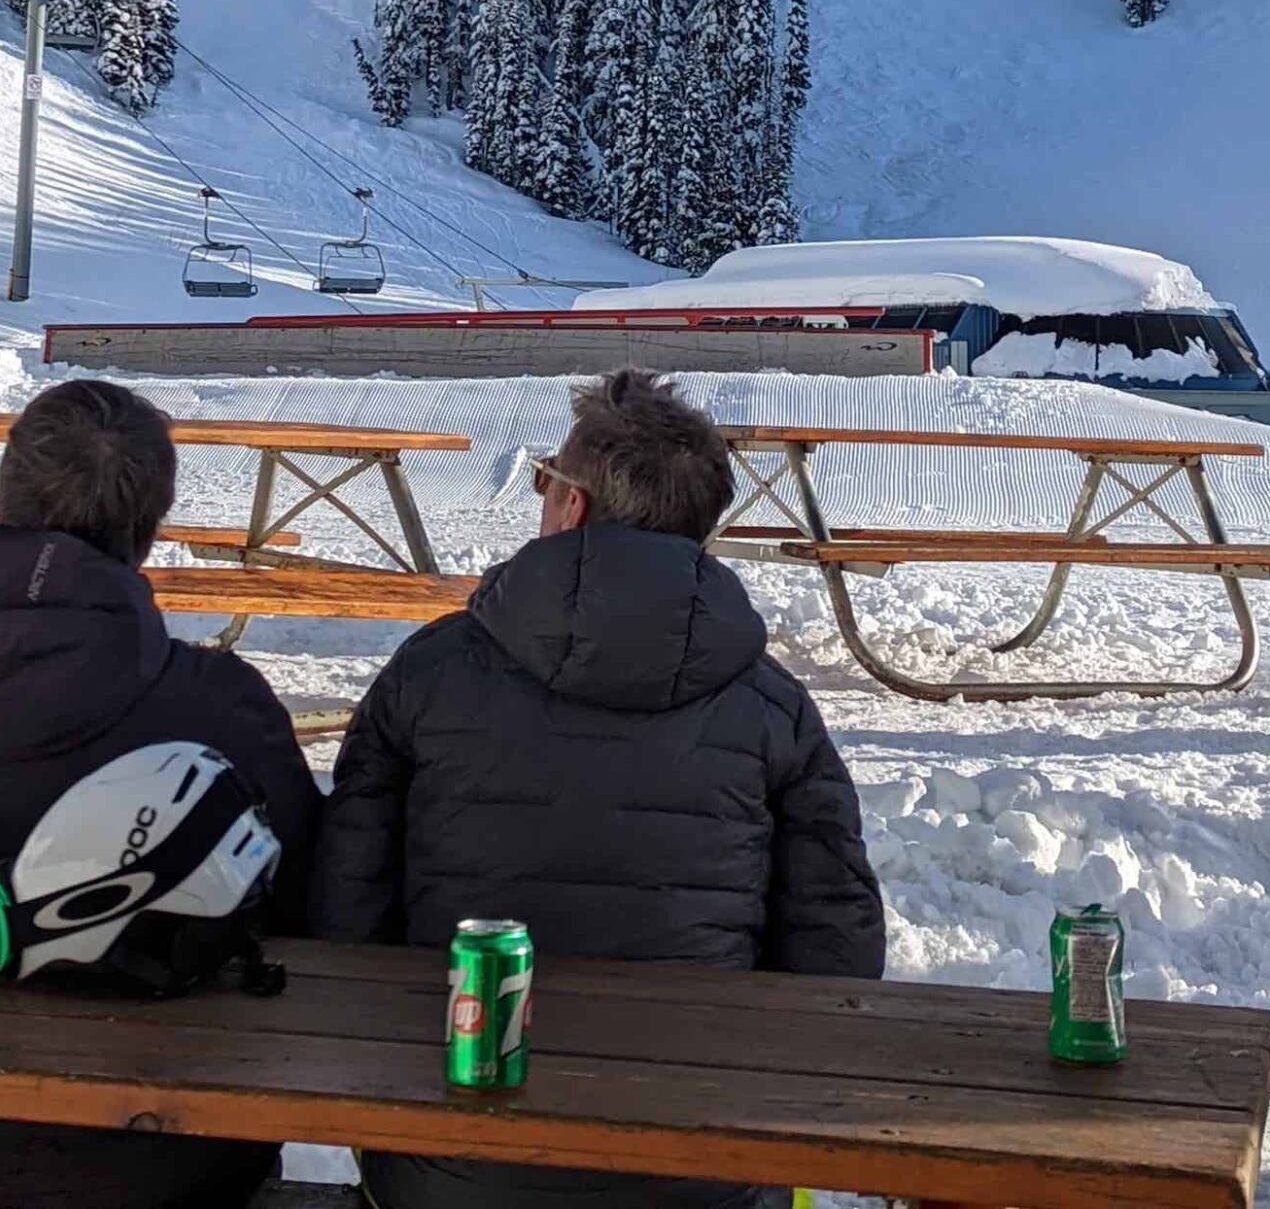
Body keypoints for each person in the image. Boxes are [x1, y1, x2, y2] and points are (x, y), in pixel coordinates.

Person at [312, 368, 886, 1209]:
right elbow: (838, 958)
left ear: (571, 506)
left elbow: (340, 919)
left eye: (546, 479)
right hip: (705, 1178)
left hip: (452, 1167)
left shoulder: (428, 675)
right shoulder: (772, 707)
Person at [0, 377, 320, 1209]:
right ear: (151, 519)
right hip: (197, 1134)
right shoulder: (219, 701)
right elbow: (305, 883)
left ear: (6, 492)